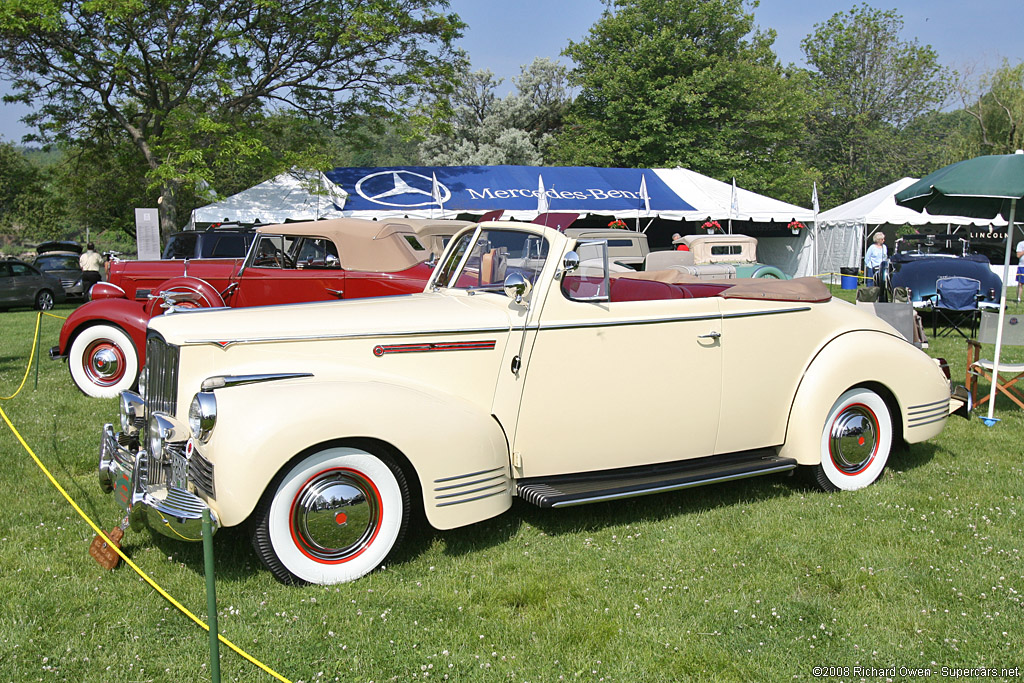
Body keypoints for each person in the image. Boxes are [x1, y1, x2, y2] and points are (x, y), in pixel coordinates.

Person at [1016, 237, 1024, 303]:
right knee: (1020, 283)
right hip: (1022, 267)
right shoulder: (1021, 244)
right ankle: (1018, 298)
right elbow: (1018, 255)